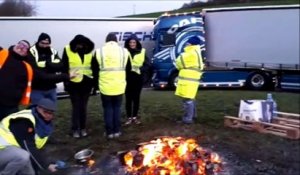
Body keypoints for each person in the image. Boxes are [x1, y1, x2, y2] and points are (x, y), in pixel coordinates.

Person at [0, 98, 58, 175]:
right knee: (23, 156)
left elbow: (36, 146)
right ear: (38, 108)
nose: (48, 115)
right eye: (46, 112)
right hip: (3, 150)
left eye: (51, 113)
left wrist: (46, 163)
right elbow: (29, 148)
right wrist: (46, 165)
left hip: (13, 151)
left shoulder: (42, 123)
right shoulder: (24, 121)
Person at [92, 33, 129, 139]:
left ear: (106, 41)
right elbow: (128, 67)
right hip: (119, 85)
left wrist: (96, 86)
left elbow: (95, 70)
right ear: (116, 41)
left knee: (108, 109)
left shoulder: (99, 52)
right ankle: (117, 131)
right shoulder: (124, 51)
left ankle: (109, 132)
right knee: (117, 108)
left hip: (105, 86)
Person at [62, 34, 95, 138]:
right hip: (73, 83)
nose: (80, 46)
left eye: (82, 44)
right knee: (76, 107)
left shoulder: (89, 51)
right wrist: (66, 82)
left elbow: (93, 67)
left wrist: (94, 84)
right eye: (78, 44)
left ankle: (83, 128)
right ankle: (75, 129)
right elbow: (64, 67)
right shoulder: (67, 50)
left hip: (86, 83)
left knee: (83, 107)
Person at [28, 32, 69, 107]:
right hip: (37, 89)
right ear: (38, 42)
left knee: (50, 111)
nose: (44, 45)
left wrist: (48, 65)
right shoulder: (31, 52)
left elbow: (61, 65)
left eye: (47, 43)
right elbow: (36, 72)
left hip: (51, 88)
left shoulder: (53, 52)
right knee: (37, 112)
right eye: (42, 43)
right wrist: (52, 67)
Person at [0, 40, 33, 120]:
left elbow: (42, 76)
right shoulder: (2, 53)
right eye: (20, 43)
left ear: (26, 53)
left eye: (25, 47)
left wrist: (65, 76)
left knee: (7, 130)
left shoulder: (27, 67)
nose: (21, 47)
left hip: (11, 107)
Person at [175, 36, 204, 124]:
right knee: (191, 98)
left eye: (188, 42)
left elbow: (178, 62)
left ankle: (187, 119)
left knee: (187, 100)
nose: (186, 44)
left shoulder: (190, 53)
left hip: (188, 79)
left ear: (191, 43)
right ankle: (192, 116)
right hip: (192, 79)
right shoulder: (196, 52)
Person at [123, 34, 150, 125]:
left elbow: (148, 64)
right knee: (128, 98)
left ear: (137, 43)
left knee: (136, 98)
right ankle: (128, 118)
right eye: (130, 42)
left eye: (134, 42)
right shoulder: (124, 51)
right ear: (128, 43)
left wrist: (140, 69)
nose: (132, 44)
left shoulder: (142, 51)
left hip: (138, 78)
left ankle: (134, 117)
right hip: (127, 78)